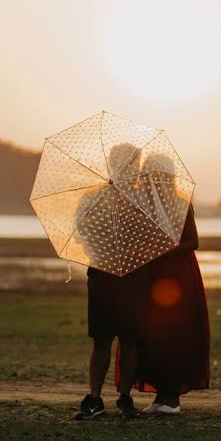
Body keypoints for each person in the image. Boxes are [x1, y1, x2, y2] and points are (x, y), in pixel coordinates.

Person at [113, 153, 211, 415]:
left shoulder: (180, 202)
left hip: (178, 276)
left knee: (174, 335)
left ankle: (172, 399)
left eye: (157, 175)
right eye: (148, 175)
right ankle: (161, 395)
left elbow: (193, 241)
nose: (152, 180)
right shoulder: (144, 204)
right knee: (152, 336)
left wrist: (161, 251)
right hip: (151, 278)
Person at [74, 143, 143, 420]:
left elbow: (153, 240)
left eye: (133, 165)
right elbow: (81, 233)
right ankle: (94, 397)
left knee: (130, 340)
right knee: (102, 340)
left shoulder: (143, 202)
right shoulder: (93, 198)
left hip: (133, 278)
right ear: (112, 165)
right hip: (103, 275)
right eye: (124, 163)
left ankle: (124, 397)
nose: (130, 169)